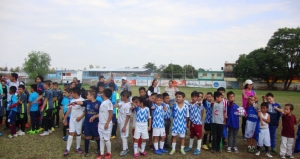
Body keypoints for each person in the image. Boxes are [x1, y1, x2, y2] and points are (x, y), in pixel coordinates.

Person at [70, 91, 101, 157]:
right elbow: (80, 102)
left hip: (95, 124)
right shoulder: (87, 102)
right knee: (87, 137)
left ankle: (99, 149)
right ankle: (86, 151)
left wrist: (95, 116)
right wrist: (74, 102)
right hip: (87, 123)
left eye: (88, 95)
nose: (86, 96)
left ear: (92, 96)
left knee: (97, 137)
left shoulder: (98, 103)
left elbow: (101, 113)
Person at [63, 87, 85, 156]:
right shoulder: (72, 100)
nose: (71, 94)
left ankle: (78, 147)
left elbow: (85, 111)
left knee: (78, 133)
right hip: (72, 119)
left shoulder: (82, 100)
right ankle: (67, 149)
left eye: (72, 93)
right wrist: (65, 118)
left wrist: (80, 117)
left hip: (79, 119)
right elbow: (69, 110)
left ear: (75, 93)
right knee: (71, 133)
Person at [96, 88, 113, 159]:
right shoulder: (103, 102)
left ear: (104, 94)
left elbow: (111, 114)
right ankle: (101, 153)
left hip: (106, 124)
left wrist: (107, 123)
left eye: (102, 92)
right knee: (101, 138)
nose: (101, 93)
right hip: (101, 124)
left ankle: (109, 153)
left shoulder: (109, 103)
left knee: (106, 139)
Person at [185, 91, 204, 155]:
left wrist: (199, 103)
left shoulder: (199, 104)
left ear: (198, 98)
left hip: (198, 123)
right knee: (191, 135)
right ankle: (190, 146)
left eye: (195, 97)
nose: (193, 98)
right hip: (192, 123)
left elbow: (200, 105)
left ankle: (198, 149)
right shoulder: (189, 104)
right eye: (192, 97)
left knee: (199, 136)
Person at [114, 90, 131, 156]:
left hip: (124, 123)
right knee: (123, 136)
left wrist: (124, 126)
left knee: (123, 136)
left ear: (125, 96)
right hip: (120, 122)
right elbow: (116, 105)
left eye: (122, 96)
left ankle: (125, 150)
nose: (121, 97)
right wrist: (110, 107)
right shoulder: (122, 102)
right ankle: (126, 148)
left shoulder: (128, 105)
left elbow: (128, 117)